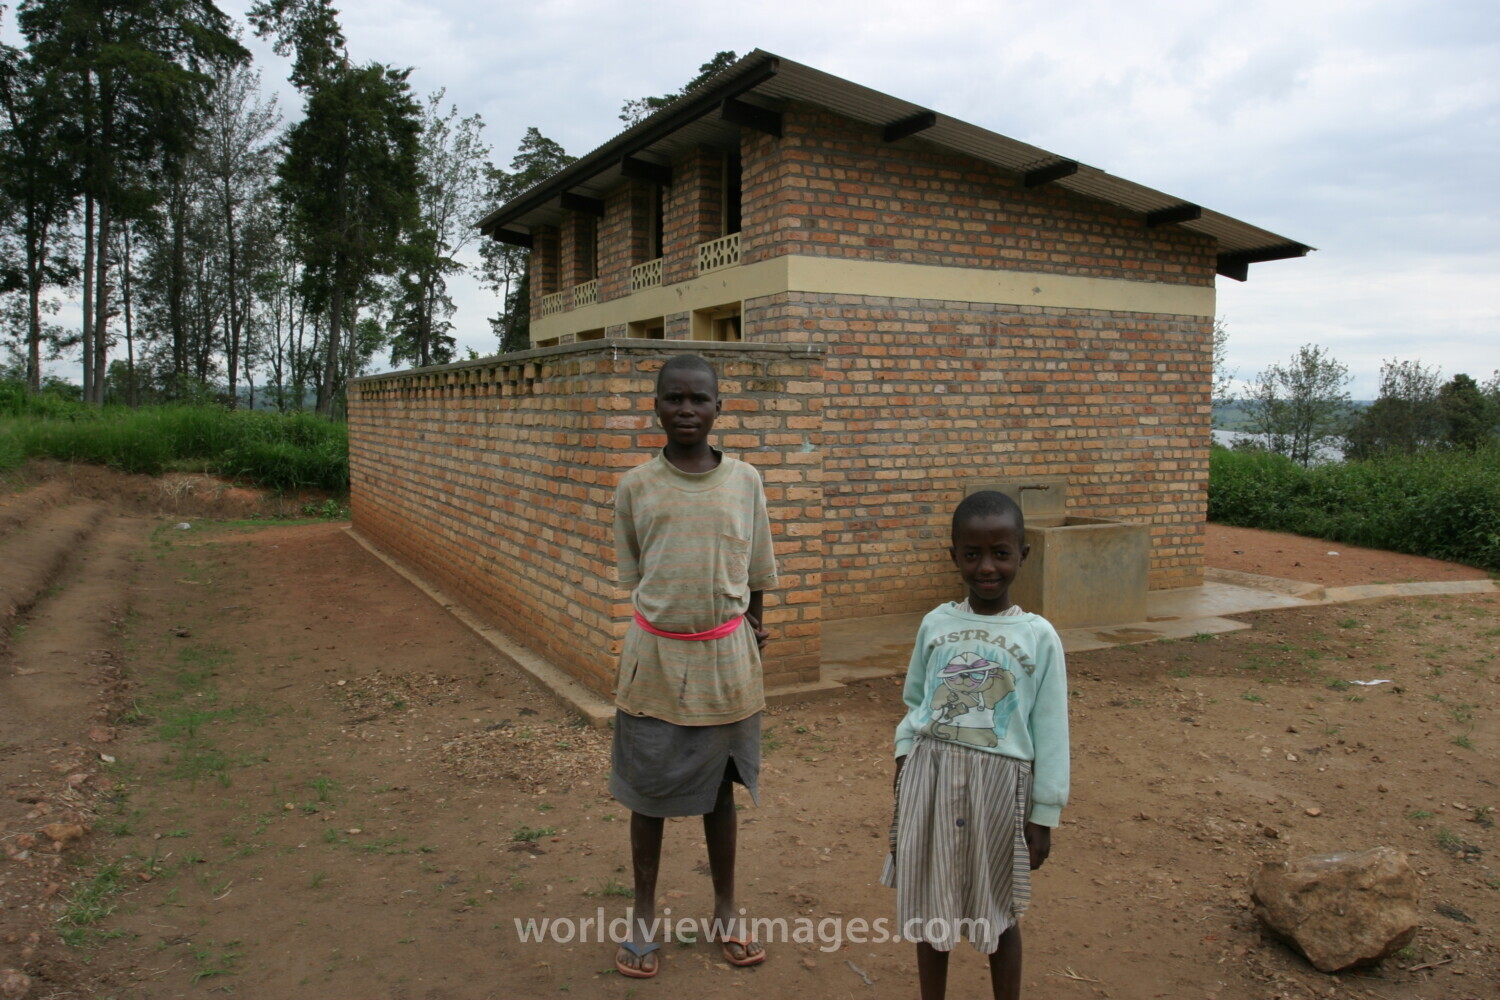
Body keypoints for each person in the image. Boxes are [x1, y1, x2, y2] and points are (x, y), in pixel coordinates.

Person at [609, 353, 777, 979]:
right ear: (655, 405)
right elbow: (636, 574)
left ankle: (727, 912)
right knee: (647, 795)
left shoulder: (746, 482)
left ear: (718, 407)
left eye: (699, 399)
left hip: (727, 663)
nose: (687, 409)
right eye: (674, 398)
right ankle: (644, 916)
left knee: (719, 794)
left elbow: (757, 564)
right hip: (654, 661)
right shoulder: (636, 487)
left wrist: (755, 621)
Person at [882, 490, 1070, 1000]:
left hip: (1000, 793)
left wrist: (1044, 814)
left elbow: (1052, 729)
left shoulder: (1039, 636)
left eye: (1001, 553)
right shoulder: (936, 625)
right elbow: (916, 701)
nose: (987, 567)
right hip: (932, 781)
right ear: (954, 556)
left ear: (1022, 555)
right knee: (931, 907)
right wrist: (905, 756)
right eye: (972, 554)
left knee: (1001, 911)